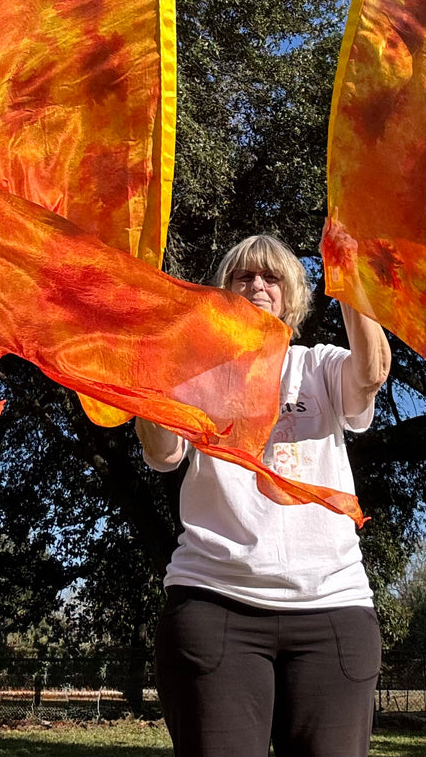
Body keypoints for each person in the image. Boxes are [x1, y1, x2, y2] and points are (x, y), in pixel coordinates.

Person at [136, 233, 390, 757]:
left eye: (271, 276)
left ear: (292, 293)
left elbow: (370, 375)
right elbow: (162, 454)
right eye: (243, 276)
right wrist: (147, 368)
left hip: (333, 608)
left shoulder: (316, 365)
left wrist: (351, 276)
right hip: (214, 606)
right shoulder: (194, 372)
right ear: (222, 292)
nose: (257, 285)